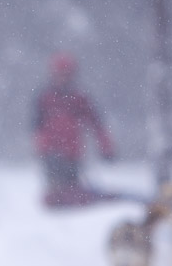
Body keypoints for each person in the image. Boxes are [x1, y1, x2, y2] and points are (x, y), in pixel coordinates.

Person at [32, 52, 116, 208]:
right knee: (58, 194)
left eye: (67, 74)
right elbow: (36, 127)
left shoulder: (79, 99)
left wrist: (106, 147)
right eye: (60, 74)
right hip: (51, 154)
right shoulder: (44, 98)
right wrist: (43, 148)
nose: (63, 78)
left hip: (73, 154)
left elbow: (96, 124)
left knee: (71, 194)